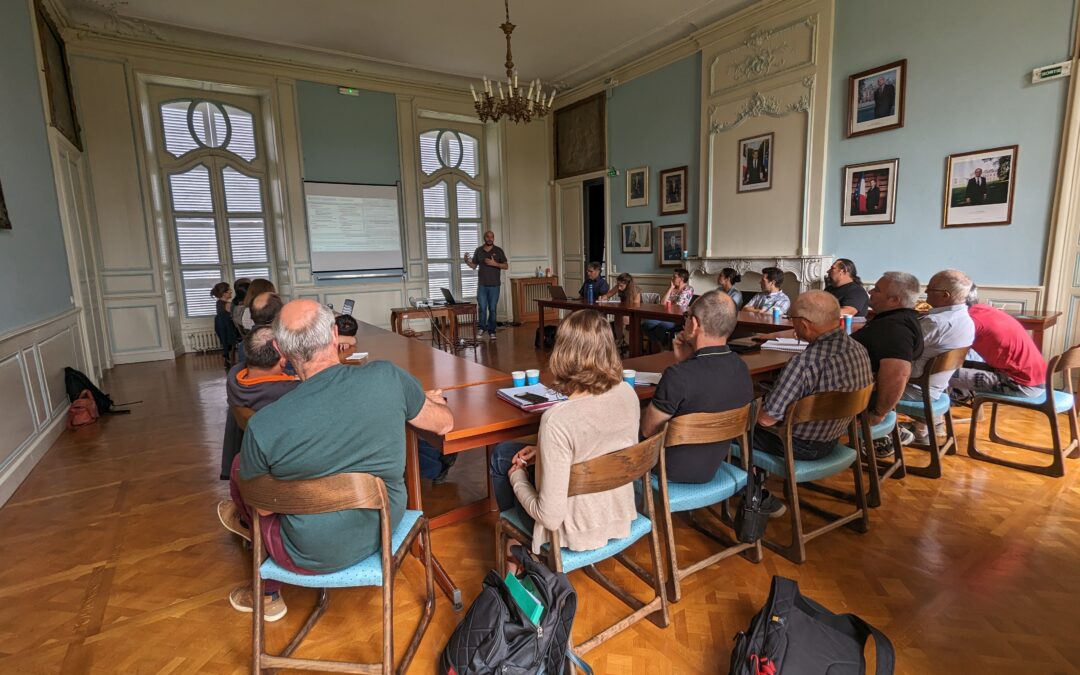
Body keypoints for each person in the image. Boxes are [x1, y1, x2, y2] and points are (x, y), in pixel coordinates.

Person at [219, 299, 453, 620]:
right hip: (384, 528)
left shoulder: (263, 426)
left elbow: (264, 508)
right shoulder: (388, 377)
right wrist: (417, 399)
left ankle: (268, 590)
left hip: (306, 553)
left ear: (280, 350)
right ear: (334, 335)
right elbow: (444, 424)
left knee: (244, 477)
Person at [489, 309, 640, 562]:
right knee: (511, 452)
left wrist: (517, 478)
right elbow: (605, 445)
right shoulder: (628, 393)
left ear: (563, 353)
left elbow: (549, 517)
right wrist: (545, 451)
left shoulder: (557, 420)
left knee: (503, 457)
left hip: (571, 531)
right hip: (619, 513)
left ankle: (518, 550)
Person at [755, 291, 873, 514]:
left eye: (792, 320)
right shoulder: (859, 349)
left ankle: (756, 496)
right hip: (835, 437)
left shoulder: (805, 363)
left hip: (799, 446)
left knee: (730, 431)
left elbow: (766, 419)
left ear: (804, 325)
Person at [640, 291, 753, 483]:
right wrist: (687, 361)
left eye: (686, 316)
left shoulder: (678, 377)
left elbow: (647, 431)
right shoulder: (741, 368)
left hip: (667, 470)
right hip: (714, 466)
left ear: (694, 324)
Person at [851, 272, 925, 455]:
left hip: (852, 403)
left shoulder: (894, 328)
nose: (870, 291)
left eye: (877, 289)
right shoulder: (900, 320)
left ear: (894, 300)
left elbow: (898, 374)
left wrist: (878, 413)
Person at [901, 269, 976, 444]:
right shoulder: (965, 319)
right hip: (937, 387)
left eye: (930, 289)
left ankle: (881, 436)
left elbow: (897, 350)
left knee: (862, 388)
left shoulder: (936, 323)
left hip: (915, 390)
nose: (925, 292)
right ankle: (926, 427)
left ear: (945, 295)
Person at [217, 326, 300, 481]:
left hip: (254, 455)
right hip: (284, 460)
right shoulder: (289, 392)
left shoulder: (234, 377)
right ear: (283, 360)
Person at [950, 289, 1046, 400]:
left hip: (1022, 385)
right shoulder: (984, 309)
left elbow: (946, 348)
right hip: (1034, 378)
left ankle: (934, 412)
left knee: (936, 374)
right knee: (952, 366)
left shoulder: (969, 321)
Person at [464, 230, 508, 340]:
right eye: (488, 237)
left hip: (495, 286)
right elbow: (474, 265)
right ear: (484, 238)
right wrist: (466, 261)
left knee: (492, 309)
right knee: (482, 308)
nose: (490, 238)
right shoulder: (478, 250)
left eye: (491, 237)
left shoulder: (498, 251)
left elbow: (506, 266)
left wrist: (495, 264)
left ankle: (492, 330)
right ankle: (482, 328)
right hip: (482, 285)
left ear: (493, 238)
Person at [641, 268, 694, 353]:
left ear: (682, 279)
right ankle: (661, 346)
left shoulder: (688, 289)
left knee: (662, 327)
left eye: (674, 276)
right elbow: (662, 303)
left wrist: (669, 303)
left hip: (677, 318)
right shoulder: (672, 289)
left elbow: (678, 306)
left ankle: (659, 348)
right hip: (665, 315)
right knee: (646, 324)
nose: (672, 278)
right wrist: (670, 289)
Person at [602, 272, 641, 347]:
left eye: (621, 286)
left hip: (634, 313)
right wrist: (604, 297)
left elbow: (636, 306)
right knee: (618, 315)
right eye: (618, 285)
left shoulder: (636, 291)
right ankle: (620, 339)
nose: (619, 287)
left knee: (623, 318)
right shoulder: (618, 287)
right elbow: (608, 294)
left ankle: (627, 342)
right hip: (623, 310)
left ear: (628, 284)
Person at [211, 282, 239, 369]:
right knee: (232, 343)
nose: (231, 291)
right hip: (227, 326)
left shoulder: (219, 302)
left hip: (220, 325)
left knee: (228, 344)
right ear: (224, 293)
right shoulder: (228, 304)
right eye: (229, 290)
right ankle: (231, 361)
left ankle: (228, 360)